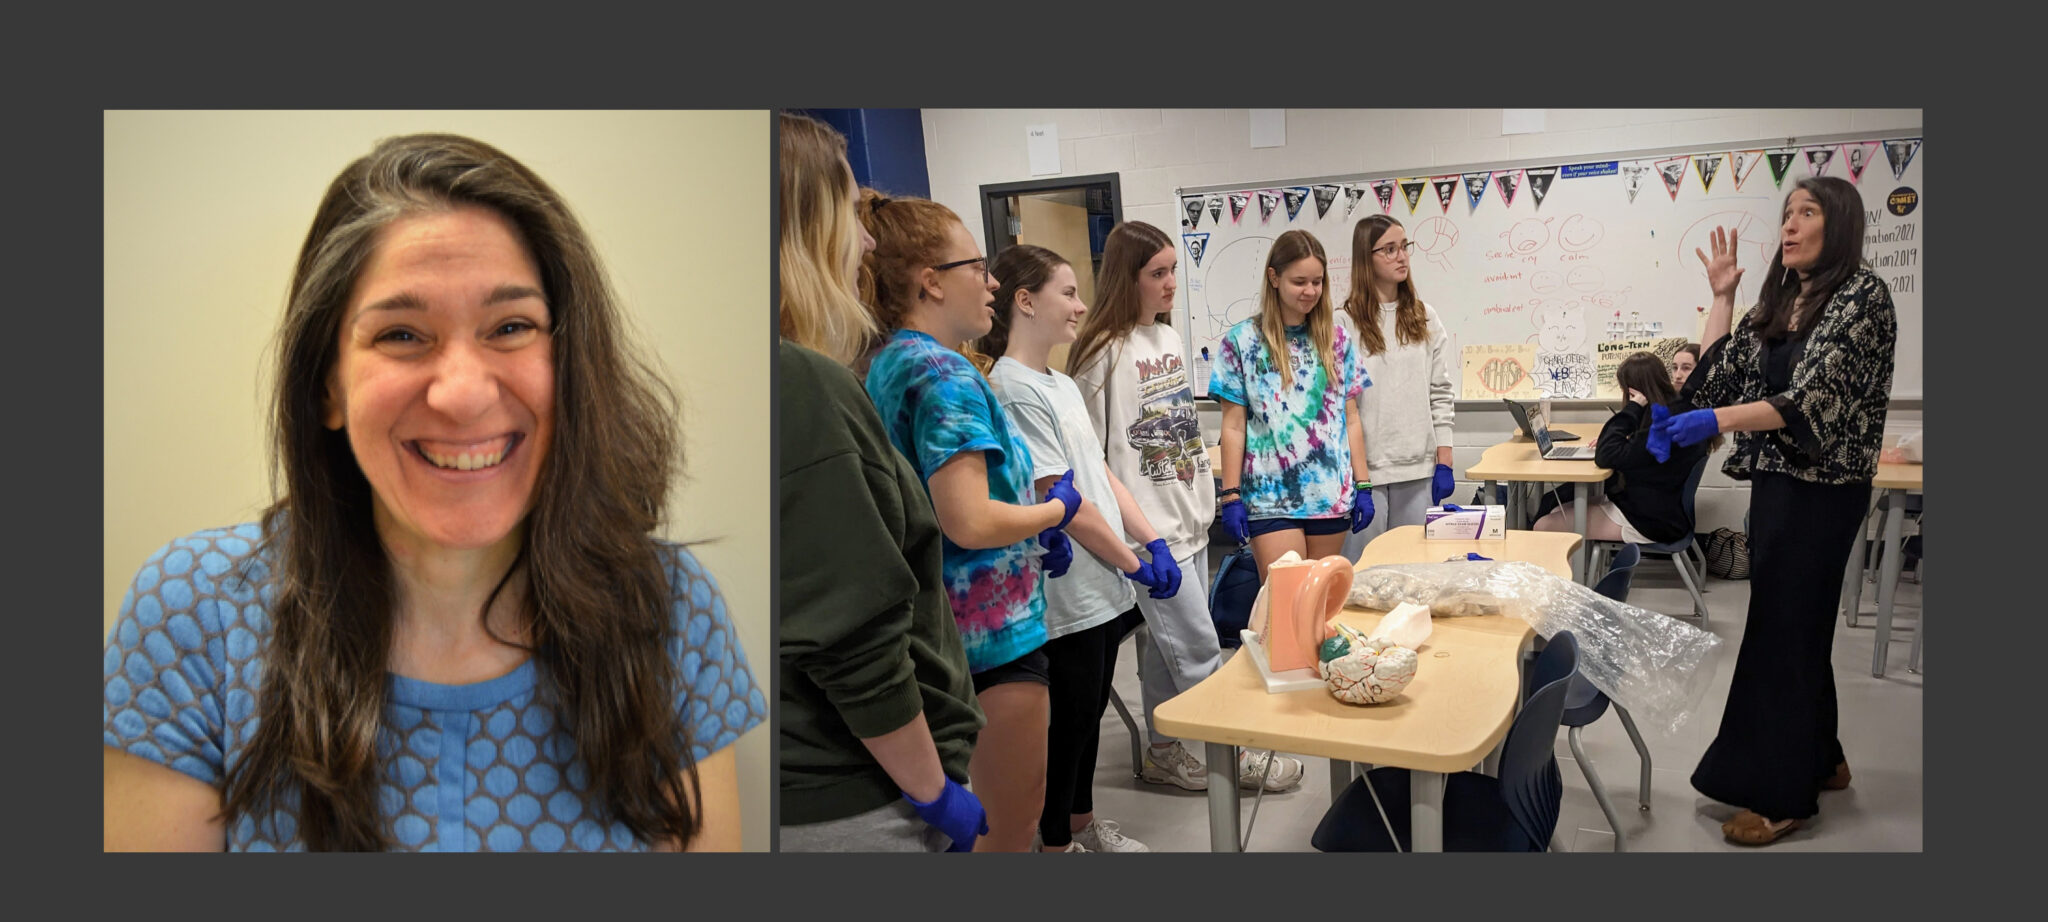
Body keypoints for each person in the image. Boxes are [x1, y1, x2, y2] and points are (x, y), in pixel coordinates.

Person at [101, 133, 764, 851]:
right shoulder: (192, 617)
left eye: (511, 327)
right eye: (402, 335)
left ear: (571, 364)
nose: (462, 395)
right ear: (328, 385)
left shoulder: (671, 614)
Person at [1655, 176, 1897, 846]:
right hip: (1778, 482)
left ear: (1837, 225)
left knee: (1782, 632)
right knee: (1795, 625)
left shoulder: (1862, 297)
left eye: (1806, 213)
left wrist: (1716, 417)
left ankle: (1784, 794)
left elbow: (1811, 401)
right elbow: (1716, 373)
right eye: (1786, 214)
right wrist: (1723, 298)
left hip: (1824, 490)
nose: (1789, 225)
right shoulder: (1786, 300)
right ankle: (1827, 760)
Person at [774, 113, 987, 853]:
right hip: (855, 788)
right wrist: (932, 790)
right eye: (846, 216)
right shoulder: (804, 385)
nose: (865, 241)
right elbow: (850, 638)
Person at [856, 189, 1083, 852]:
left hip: (942, 630)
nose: (991, 283)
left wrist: (1029, 527)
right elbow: (969, 522)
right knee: (1011, 829)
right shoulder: (943, 373)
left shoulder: (891, 361)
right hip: (989, 641)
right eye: (977, 267)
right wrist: (1055, 512)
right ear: (930, 282)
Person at [1068, 221, 1303, 794]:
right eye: (1158, 273)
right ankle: (1233, 753)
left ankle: (1163, 751)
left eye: (1174, 269)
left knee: (1160, 649)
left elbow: (1183, 429)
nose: (1172, 282)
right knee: (1198, 645)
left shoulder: (1168, 339)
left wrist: (1211, 498)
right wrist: (1133, 540)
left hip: (1188, 516)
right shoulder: (1101, 352)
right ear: (1129, 278)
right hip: (1148, 531)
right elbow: (1089, 456)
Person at [984, 243, 1181, 853]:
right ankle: (1056, 845)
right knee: (1065, 728)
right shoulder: (1012, 389)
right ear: (1025, 301)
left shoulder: (1060, 383)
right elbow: (1062, 501)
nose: (1081, 305)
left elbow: (1099, 474)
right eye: (1067, 293)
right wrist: (1133, 563)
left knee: (1090, 714)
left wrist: (1151, 540)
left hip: (1101, 583)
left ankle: (1080, 827)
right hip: (1064, 595)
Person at [1210, 229, 1374, 582]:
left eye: (1317, 281)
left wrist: (1363, 485)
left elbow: (1351, 418)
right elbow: (1234, 426)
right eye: (1299, 281)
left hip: (1329, 495)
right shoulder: (1241, 342)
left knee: (1320, 604)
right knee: (1286, 602)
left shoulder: (1337, 339)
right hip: (1269, 497)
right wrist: (1231, 495)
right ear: (1273, 277)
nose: (1310, 291)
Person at [1336, 214, 1457, 560]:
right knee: (1362, 576)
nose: (1401, 257)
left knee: (1412, 574)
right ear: (1366, 258)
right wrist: (1357, 480)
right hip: (1365, 474)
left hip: (1418, 468)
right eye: (1389, 249)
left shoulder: (1424, 316)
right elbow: (1342, 406)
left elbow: (1440, 391)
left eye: (1404, 247)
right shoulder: (1343, 322)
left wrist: (1444, 460)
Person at [1532, 352, 1711, 545]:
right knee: (1556, 508)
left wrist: (1633, 407)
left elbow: (1605, 457)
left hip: (1649, 520)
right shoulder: (1672, 409)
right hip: (1656, 506)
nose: (1677, 375)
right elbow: (1635, 449)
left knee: (1543, 525)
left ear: (1633, 390)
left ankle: (1564, 573)